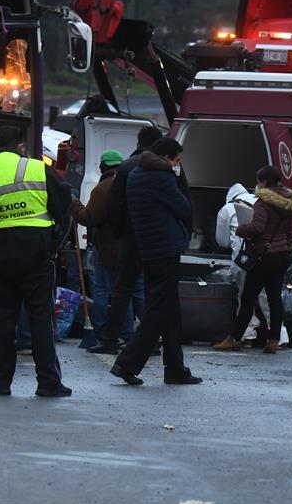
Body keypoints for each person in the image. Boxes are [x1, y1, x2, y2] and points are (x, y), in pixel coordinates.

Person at [0, 126, 72, 397]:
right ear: (21, 147)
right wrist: (54, 244)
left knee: (2, 320)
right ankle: (48, 382)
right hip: (35, 251)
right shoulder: (36, 169)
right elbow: (63, 207)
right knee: (40, 319)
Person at [110, 138, 201, 386]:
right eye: (177, 160)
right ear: (168, 157)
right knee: (159, 309)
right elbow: (183, 207)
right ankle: (127, 362)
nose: (178, 165)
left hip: (148, 247)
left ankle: (175, 367)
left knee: (169, 309)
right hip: (165, 246)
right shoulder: (161, 177)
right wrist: (178, 179)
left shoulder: (136, 173)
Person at [92, 126, 163, 354]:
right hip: (155, 240)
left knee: (121, 291)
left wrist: (121, 232)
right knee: (146, 292)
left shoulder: (126, 168)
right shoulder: (166, 168)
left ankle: (111, 339)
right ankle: (151, 338)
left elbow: (111, 208)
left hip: (128, 241)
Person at [213, 166, 292, 354]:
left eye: (260, 180)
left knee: (247, 299)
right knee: (274, 299)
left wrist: (241, 229)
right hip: (281, 255)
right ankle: (274, 340)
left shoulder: (263, 203)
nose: (258, 184)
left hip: (263, 257)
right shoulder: (288, 202)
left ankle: (235, 338)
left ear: (265, 182)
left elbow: (257, 228)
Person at [71, 149, 124, 341]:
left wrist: (75, 205)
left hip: (108, 248)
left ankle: (101, 330)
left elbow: (89, 217)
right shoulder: (128, 183)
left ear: (104, 166)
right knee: (126, 291)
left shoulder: (103, 188)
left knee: (102, 289)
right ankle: (127, 332)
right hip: (128, 248)